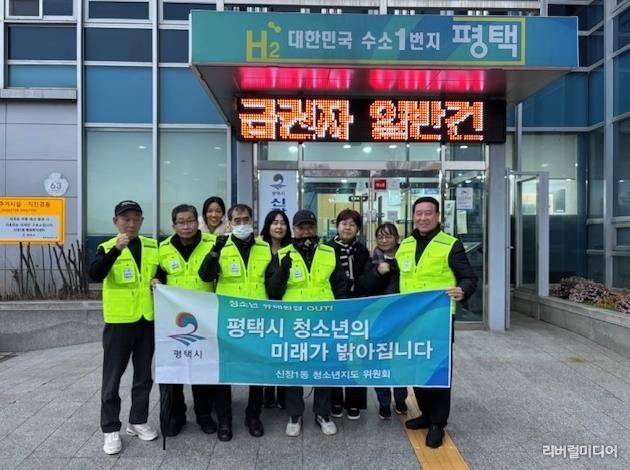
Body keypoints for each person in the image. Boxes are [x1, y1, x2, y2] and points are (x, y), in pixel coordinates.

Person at [387, 197, 477, 448]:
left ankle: (438, 422)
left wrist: (462, 290)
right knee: (417, 366)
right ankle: (425, 414)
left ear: (438, 216)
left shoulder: (450, 244)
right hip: (410, 319)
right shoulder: (405, 245)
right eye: (419, 213)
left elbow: (469, 277)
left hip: (438, 319)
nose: (423, 218)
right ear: (413, 216)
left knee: (437, 369)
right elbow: (398, 280)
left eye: (428, 213)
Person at [265, 209, 349, 437]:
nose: (306, 231)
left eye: (310, 226)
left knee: (324, 367)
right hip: (294, 323)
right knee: (293, 368)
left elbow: (340, 286)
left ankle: (323, 413)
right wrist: (283, 270)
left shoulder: (329, 252)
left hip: (324, 322)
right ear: (294, 230)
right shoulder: (282, 254)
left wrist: (341, 315)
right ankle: (295, 414)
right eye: (301, 227)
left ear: (315, 228)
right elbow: (273, 291)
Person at [89, 200, 159, 455]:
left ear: (142, 221)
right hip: (119, 322)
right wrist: (116, 250)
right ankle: (110, 428)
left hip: (146, 320)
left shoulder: (152, 246)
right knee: (112, 378)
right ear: (115, 221)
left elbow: (160, 272)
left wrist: (158, 279)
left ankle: (137, 421)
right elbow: (95, 274)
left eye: (136, 219)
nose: (131, 223)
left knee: (143, 376)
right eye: (125, 219)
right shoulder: (106, 246)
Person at [198, 204, 272, 441]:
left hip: (258, 317)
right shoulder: (220, 245)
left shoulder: (265, 247)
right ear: (229, 223)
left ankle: (253, 416)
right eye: (237, 220)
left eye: (246, 219)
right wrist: (215, 252)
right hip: (229, 317)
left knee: (256, 369)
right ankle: (225, 420)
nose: (242, 224)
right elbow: (205, 276)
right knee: (226, 369)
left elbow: (271, 280)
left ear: (252, 221)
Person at [152, 204, 217, 437]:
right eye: (181, 222)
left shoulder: (212, 243)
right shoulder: (163, 248)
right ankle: (176, 414)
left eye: (190, 221)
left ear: (197, 222)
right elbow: (158, 274)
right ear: (174, 225)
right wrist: (155, 281)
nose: (186, 226)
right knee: (175, 366)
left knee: (202, 365)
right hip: (173, 317)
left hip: (205, 315)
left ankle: (203, 414)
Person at [326, 209, 371, 421]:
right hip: (334, 307)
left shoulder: (363, 250)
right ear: (337, 226)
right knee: (334, 353)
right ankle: (334, 400)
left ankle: (354, 402)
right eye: (344, 223)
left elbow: (368, 277)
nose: (347, 227)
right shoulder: (326, 249)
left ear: (358, 229)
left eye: (352, 224)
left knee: (356, 353)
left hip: (357, 307)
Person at [369, 222, 408, 420]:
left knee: (400, 358)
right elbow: (365, 285)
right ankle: (384, 402)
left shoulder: (407, 257)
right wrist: (378, 272)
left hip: (402, 317)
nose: (384, 240)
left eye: (388, 236)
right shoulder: (372, 259)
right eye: (380, 236)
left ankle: (401, 398)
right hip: (379, 317)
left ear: (397, 238)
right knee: (380, 360)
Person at [259, 209, 292, 410]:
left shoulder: (292, 249)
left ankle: (283, 392)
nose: (279, 227)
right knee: (266, 351)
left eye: (283, 223)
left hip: (286, 307)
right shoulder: (258, 247)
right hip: (262, 306)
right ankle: (268, 390)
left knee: (283, 351)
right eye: (274, 222)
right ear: (268, 225)